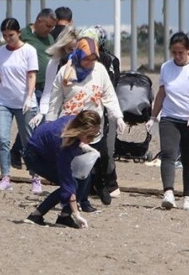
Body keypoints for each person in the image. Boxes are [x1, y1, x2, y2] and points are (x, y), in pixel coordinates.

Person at [46, 37, 127, 209]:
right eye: (86, 59)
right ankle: (75, 200)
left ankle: (95, 190)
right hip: (71, 127)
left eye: (93, 59)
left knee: (95, 161)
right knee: (75, 166)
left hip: (92, 127)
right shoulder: (66, 72)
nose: (90, 63)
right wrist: (49, 125)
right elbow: (54, 100)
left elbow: (109, 95)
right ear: (78, 54)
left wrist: (118, 117)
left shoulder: (100, 70)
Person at [145, 32, 189, 212]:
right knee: (168, 154)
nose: (178, 56)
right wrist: (153, 116)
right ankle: (168, 193)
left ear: (188, 50)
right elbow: (161, 93)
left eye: (181, 52)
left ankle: (188, 196)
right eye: (174, 52)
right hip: (170, 118)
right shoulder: (166, 68)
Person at [0, 17, 41, 193]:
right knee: (2, 139)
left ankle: (36, 177)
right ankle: (6, 176)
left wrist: (28, 97)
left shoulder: (28, 51)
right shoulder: (1, 52)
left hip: (24, 103)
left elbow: (32, 76)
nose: (8, 39)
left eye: (11, 35)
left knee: (28, 141)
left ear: (18, 33)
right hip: (4, 102)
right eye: (5, 35)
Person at [22, 109, 102, 228]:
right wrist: (77, 214)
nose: (91, 140)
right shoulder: (63, 143)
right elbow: (67, 181)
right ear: (80, 131)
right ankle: (36, 215)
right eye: (89, 136)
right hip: (35, 156)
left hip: (48, 150)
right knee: (72, 183)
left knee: (84, 176)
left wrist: (85, 147)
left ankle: (64, 217)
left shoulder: (74, 121)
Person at [77, 25, 122, 205]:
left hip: (101, 111)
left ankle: (106, 183)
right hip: (79, 113)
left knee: (104, 151)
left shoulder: (107, 61)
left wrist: (117, 115)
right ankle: (85, 187)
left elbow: (110, 88)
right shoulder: (71, 63)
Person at [10, 8, 57, 168]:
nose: (50, 30)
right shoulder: (23, 34)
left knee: (35, 123)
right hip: (29, 87)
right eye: (48, 26)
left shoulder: (50, 38)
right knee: (31, 123)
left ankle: (19, 151)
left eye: (52, 27)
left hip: (46, 87)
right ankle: (24, 153)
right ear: (38, 21)